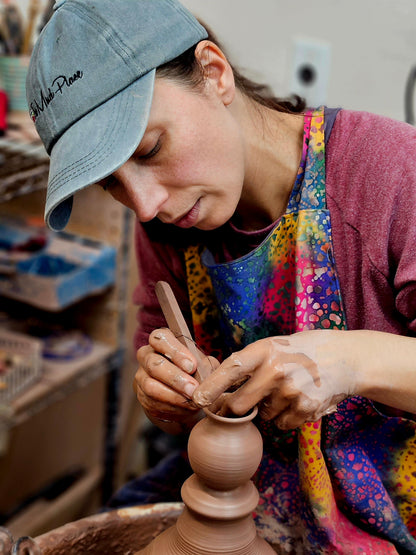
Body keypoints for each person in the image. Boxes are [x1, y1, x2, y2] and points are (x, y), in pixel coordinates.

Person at [27, 0, 416, 553]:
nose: (143, 204)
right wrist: (165, 392)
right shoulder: (169, 222)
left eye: (151, 148)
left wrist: (350, 362)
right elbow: (164, 372)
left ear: (214, 73)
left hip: (390, 514)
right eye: (110, 184)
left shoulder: (389, 174)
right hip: (251, 497)